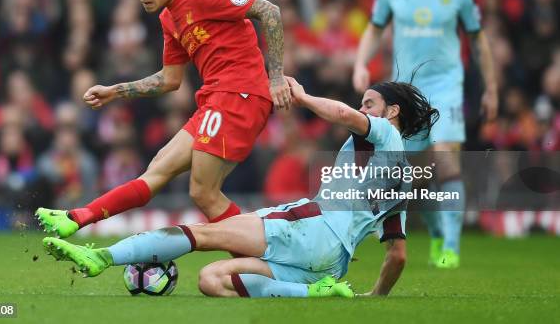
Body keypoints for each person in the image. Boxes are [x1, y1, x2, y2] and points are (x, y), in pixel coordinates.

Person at [42, 76, 439, 298]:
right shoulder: (401, 180)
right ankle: (314, 293)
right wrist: (375, 298)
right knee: (211, 280)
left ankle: (103, 258)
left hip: (312, 226)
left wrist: (301, 97)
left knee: (203, 234)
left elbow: (340, 113)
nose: (362, 109)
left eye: (368, 103)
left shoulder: (383, 132)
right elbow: (398, 255)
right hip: (330, 262)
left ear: (392, 111)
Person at [36, 0, 291, 237]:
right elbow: (170, 79)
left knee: (202, 192)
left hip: (239, 95)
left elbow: (269, 12)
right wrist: (115, 91)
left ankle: (268, 263)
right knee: (156, 171)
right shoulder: (169, 18)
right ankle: (77, 217)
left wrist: (276, 78)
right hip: (214, 100)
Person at [352, 0, 498, 268]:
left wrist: (491, 87)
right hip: (405, 94)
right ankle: (436, 233)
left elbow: (479, 42)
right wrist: (361, 63)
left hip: (447, 88)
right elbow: (374, 30)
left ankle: (450, 245)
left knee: (446, 159)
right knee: (416, 178)